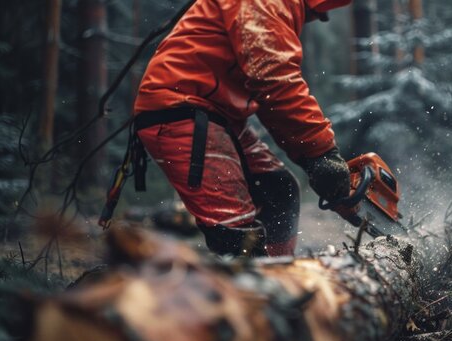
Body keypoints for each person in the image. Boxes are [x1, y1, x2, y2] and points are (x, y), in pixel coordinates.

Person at [133, 0, 352, 257]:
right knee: (237, 235)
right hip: (183, 110)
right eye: (318, 12)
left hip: (217, 114)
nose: (317, 18)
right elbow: (274, 79)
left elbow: (271, 98)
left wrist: (311, 159)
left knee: (278, 191)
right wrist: (321, 153)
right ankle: (253, 287)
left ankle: (280, 274)